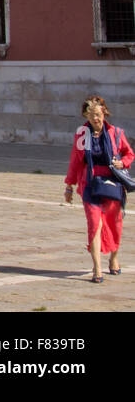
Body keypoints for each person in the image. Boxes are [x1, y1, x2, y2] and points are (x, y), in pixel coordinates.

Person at [65, 95, 134, 283]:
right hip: (90, 183)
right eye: (90, 116)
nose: (95, 119)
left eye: (97, 114)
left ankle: (114, 258)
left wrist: (122, 163)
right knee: (94, 223)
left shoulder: (116, 133)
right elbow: (75, 161)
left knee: (115, 224)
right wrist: (69, 185)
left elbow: (129, 153)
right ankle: (97, 268)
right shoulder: (82, 135)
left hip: (112, 184)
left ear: (103, 112)